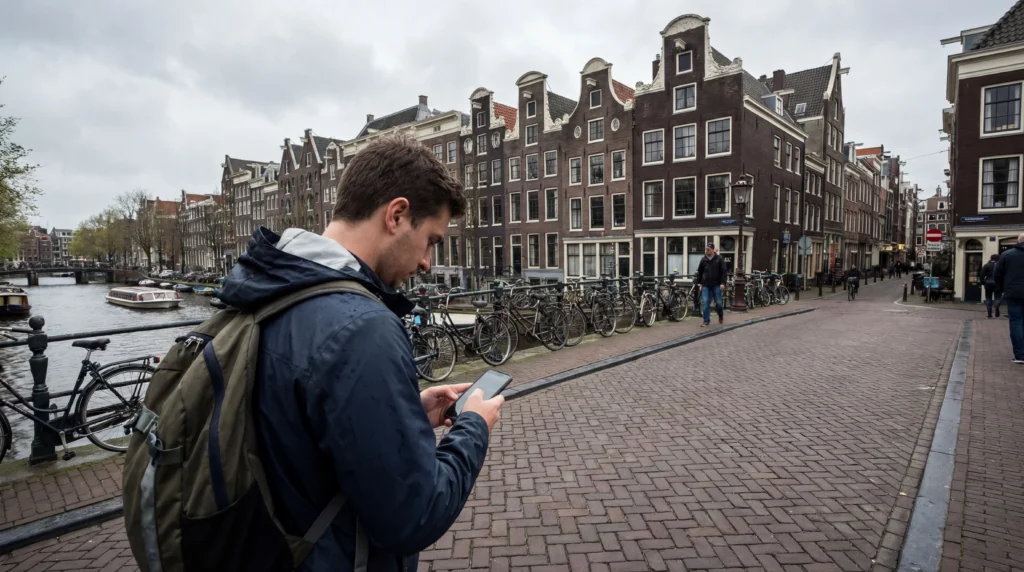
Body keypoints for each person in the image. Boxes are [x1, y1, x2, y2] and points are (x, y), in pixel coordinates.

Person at [217, 134, 505, 571]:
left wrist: (403, 411)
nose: (428, 262)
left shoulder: (268, 291)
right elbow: (414, 514)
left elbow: (304, 436)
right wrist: (473, 429)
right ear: (397, 215)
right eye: (430, 240)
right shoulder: (361, 328)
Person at [994, 232, 1024, 364]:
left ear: (1018, 241)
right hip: (1013, 292)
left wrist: (1002, 290)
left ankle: (1020, 355)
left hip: (1014, 293)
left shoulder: (1007, 255)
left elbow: (997, 275)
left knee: (1016, 322)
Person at [695, 243, 727, 327]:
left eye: (708, 249)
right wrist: (699, 283)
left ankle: (720, 315)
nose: (706, 251)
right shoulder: (703, 260)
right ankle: (706, 321)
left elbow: (723, 272)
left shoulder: (719, 259)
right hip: (706, 285)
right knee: (705, 303)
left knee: (719, 303)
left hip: (717, 285)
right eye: (706, 249)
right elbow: (700, 272)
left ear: (713, 250)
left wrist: (723, 283)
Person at [980, 253, 1002, 319]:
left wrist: (983, 282)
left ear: (991, 258)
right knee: (998, 297)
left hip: (988, 283)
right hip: (998, 283)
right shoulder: (1000, 265)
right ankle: (997, 306)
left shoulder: (986, 265)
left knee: (988, 297)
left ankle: (989, 314)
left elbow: (981, 275)